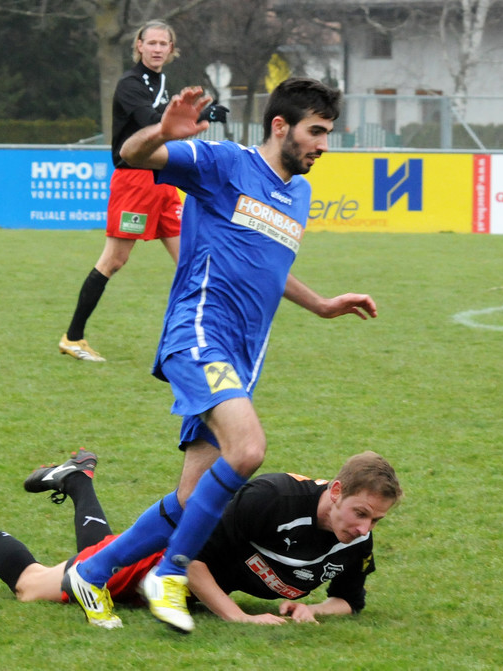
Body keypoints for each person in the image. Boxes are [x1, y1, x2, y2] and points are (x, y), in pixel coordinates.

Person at [64, 78, 378, 633]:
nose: (323, 145)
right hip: (199, 334)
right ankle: (169, 573)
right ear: (280, 126)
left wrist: (321, 304)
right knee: (248, 448)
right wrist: (161, 132)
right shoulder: (224, 163)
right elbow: (132, 154)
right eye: (316, 131)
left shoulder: (299, 195)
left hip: (242, 360)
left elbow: (270, 264)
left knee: (192, 500)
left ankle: (93, 572)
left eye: (328, 133)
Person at [0, 449, 402, 625]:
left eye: (376, 521)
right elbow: (189, 556)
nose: (364, 529)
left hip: (183, 594)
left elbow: (349, 600)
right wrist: (238, 617)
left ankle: (77, 479)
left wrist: (312, 609)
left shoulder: (355, 539)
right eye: (360, 513)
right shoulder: (270, 499)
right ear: (335, 491)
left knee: (97, 554)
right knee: (33, 586)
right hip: (159, 563)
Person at [58, 19, 228, 362]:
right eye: (151, 43)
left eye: (163, 43)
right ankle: (73, 338)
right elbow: (154, 123)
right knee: (114, 260)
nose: (157, 49)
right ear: (139, 46)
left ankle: (203, 339)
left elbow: (166, 122)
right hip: (134, 182)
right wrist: (201, 114)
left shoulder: (161, 82)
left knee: (191, 260)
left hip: (164, 180)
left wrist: (199, 114)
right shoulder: (130, 84)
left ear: (171, 49)